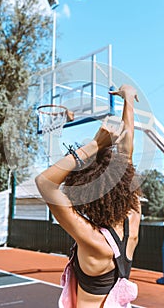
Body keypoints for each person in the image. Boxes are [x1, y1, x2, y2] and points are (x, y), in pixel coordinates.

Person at [35, 84, 142, 308]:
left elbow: (45, 182)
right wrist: (128, 100)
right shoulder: (132, 219)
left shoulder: (94, 241)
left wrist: (94, 145)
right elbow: (126, 158)